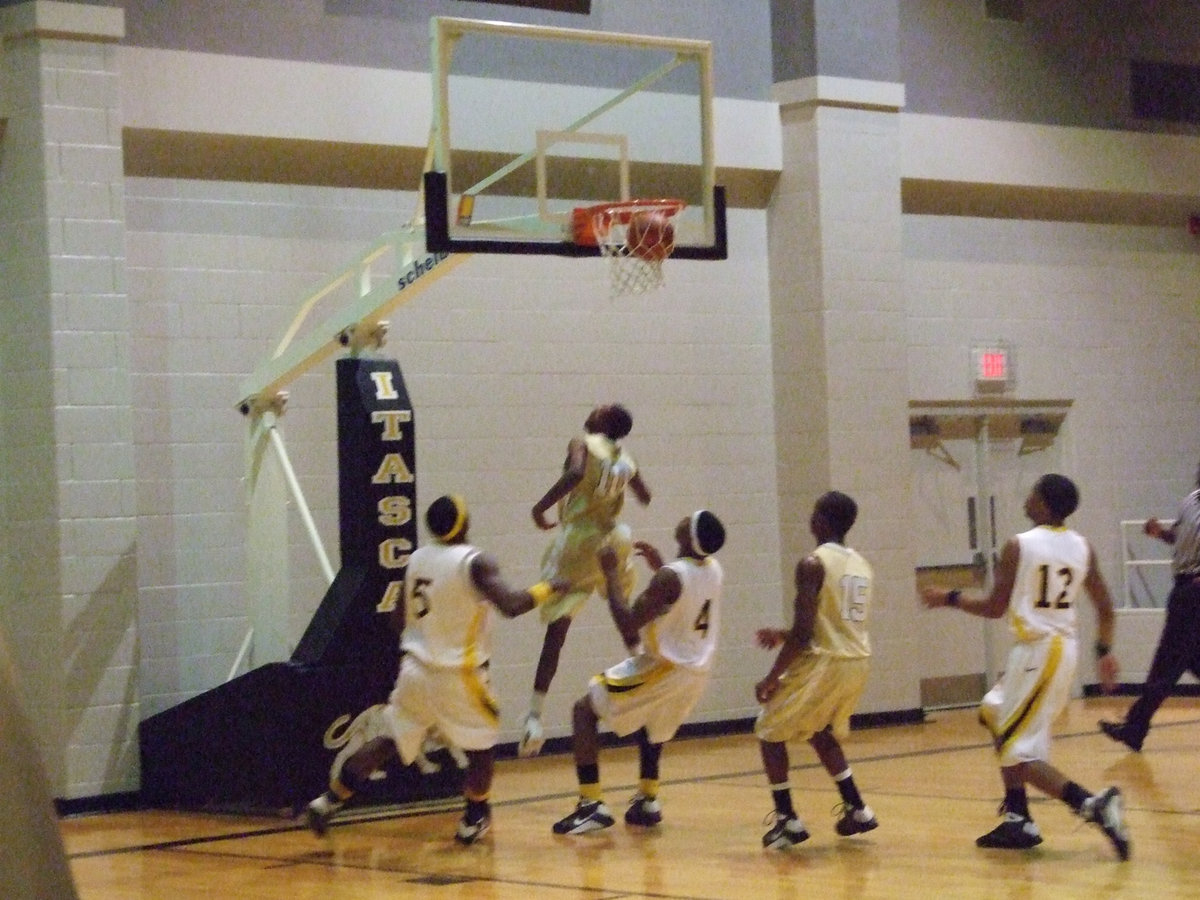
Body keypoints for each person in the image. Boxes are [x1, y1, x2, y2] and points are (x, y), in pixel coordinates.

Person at [305, 494, 566, 844]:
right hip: (458, 674)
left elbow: (397, 618)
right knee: (482, 746)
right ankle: (474, 817)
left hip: (415, 670)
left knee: (391, 740)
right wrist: (551, 586)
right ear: (464, 522)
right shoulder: (475, 562)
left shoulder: (416, 559)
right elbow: (512, 605)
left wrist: (426, 637)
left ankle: (328, 800)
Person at [921, 473, 1130, 860]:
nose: (1027, 496)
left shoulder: (1020, 545)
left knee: (1017, 751)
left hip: (1041, 652)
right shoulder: (1082, 546)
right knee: (993, 711)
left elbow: (994, 607)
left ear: (1044, 504)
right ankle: (1018, 817)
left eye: (1033, 492)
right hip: (1050, 650)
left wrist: (948, 597)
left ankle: (1094, 806)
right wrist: (1104, 651)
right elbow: (1104, 606)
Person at [551, 510, 725, 834]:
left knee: (583, 711)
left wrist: (611, 574)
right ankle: (647, 799)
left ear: (691, 536)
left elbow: (627, 622)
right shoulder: (712, 568)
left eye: (690, 519)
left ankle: (591, 805)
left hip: (667, 668)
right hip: (696, 670)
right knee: (652, 724)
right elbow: (684, 593)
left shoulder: (670, 577)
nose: (684, 517)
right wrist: (661, 568)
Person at [520, 403, 652, 757]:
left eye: (600, 409)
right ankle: (645, 679)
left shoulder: (582, 442)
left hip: (580, 540)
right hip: (615, 537)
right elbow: (646, 496)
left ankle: (534, 716)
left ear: (604, 422)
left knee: (557, 631)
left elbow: (576, 473)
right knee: (622, 611)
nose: (592, 410)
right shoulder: (627, 456)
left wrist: (540, 507)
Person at [754, 490, 880, 849]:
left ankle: (787, 819)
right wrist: (783, 634)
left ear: (820, 521)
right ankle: (857, 808)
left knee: (768, 729)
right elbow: (834, 622)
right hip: (857, 659)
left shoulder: (812, 563)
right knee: (819, 731)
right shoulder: (862, 564)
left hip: (826, 663)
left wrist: (772, 676)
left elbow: (806, 633)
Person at [1100, 460, 1200, 751]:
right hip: (1183, 587)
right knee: (1190, 660)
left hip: (1194, 593)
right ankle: (1135, 727)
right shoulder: (1190, 502)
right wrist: (1160, 533)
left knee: (1166, 664)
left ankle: (1135, 726)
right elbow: (1180, 537)